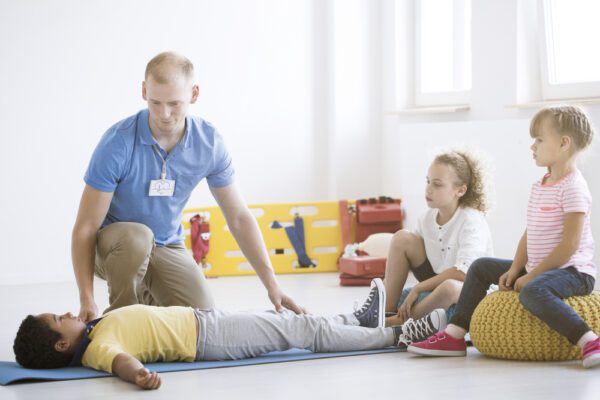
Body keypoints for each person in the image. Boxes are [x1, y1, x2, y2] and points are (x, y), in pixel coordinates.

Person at [71, 51, 303, 322]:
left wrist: (272, 285)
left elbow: (238, 217)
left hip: (166, 244)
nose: (164, 114)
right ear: (144, 91)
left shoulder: (209, 142)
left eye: (174, 104)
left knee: (203, 316)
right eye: (155, 102)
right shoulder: (117, 143)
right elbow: (85, 227)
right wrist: (86, 299)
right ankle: (122, 319)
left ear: (194, 94)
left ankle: (149, 301)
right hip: (114, 248)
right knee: (137, 237)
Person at [407, 106, 600, 369]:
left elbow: (570, 245)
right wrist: (516, 267)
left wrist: (531, 275)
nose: (532, 146)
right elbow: (530, 233)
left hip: (573, 271)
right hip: (541, 267)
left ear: (564, 143)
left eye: (539, 140)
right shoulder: (541, 185)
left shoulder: (574, 187)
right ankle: (454, 335)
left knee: (532, 291)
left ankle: (588, 340)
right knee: (480, 266)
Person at [12, 279, 446, 390]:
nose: (68, 312)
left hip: (209, 323)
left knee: (295, 325)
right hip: (211, 338)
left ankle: (358, 322)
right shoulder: (97, 350)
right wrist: (139, 374)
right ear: (62, 344)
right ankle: (398, 338)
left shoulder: (93, 332)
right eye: (59, 318)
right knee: (302, 331)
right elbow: (119, 362)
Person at [383, 149, 493, 331]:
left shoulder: (471, 221)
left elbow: (464, 273)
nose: (428, 189)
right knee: (402, 237)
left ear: (460, 190)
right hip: (437, 281)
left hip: (468, 289)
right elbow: (409, 253)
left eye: (437, 184)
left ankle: (399, 323)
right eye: (427, 181)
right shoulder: (426, 218)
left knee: (449, 287)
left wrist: (418, 289)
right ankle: (385, 313)